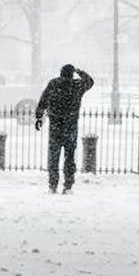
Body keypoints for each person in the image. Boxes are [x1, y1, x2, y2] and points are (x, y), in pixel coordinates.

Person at [34, 63, 95, 194]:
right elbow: (90, 81)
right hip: (71, 126)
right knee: (69, 157)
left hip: (55, 125)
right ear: (72, 74)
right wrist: (80, 71)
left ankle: (52, 185)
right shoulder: (77, 85)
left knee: (53, 157)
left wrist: (39, 116)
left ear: (61, 73)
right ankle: (68, 185)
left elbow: (44, 99)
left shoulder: (54, 83)